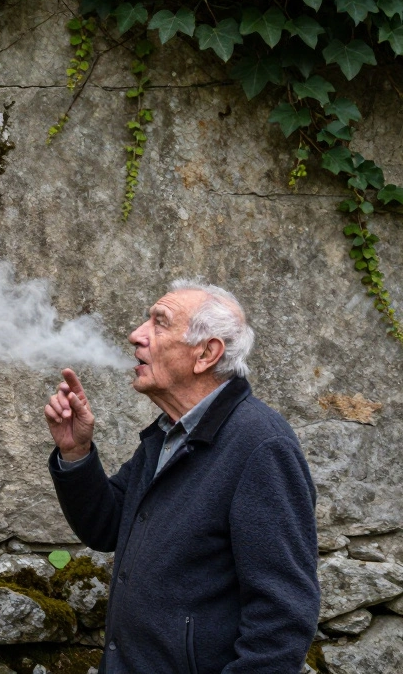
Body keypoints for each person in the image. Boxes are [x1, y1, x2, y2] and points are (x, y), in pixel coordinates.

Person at [44, 280, 319, 673]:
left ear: (206, 353)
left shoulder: (261, 446)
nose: (136, 335)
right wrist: (76, 453)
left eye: (159, 323)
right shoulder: (169, 433)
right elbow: (107, 526)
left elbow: (282, 619)